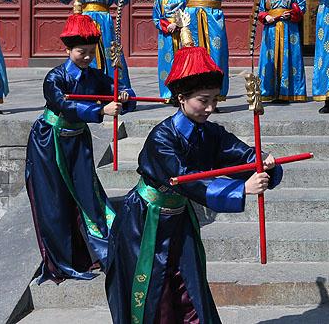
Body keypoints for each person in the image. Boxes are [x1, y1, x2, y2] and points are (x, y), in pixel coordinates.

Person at [106, 45, 283, 323]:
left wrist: (262, 161)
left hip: (180, 220)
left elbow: (238, 154)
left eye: (215, 100)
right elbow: (185, 179)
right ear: (181, 98)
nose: (211, 108)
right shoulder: (161, 139)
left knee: (190, 289)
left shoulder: (209, 132)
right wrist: (240, 189)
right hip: (146, 221)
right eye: (203, 100)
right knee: (155, 294)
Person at [25, 6, 134, 284]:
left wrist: (123, 95)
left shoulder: (95, 75)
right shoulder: (55, 77)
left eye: (90, 51)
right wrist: (99, 111)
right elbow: (63, 104)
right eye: (80, 52)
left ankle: (106, 253)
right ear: (67, 51)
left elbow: (123, 92)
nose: (86, 57)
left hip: (78, 141)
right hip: (49, 142)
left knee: (90, 195)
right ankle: (63, 261)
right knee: (55, 202)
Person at [257, 0, 307, 102]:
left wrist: (292, 14)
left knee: (289, 58)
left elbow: (302, 7)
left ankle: (288, 92)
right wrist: (267, 17)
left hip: (288, 29)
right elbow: (260, 10)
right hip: (271, 29)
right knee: (270, 59)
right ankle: (269, 91)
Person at [153, 0, 186, 101]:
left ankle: (183, 93)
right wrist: (167, 26)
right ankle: (168, 94)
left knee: (183, 62)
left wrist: (178, 24)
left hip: (182, 32)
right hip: (166, 35)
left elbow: (188, 11)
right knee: (167, 64)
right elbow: (156, 18)